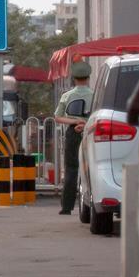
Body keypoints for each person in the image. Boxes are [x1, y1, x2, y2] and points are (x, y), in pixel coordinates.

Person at [54, 60, 93, 215]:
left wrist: (75, 122)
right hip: (90, 131)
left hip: (72, 133)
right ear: (88, 77)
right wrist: (84, 123)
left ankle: (67, 207)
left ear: (74, 78)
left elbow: (57, 117)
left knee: (71, 168)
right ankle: (90, 203)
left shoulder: (67, 96)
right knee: (91, 168)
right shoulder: (95, 95)